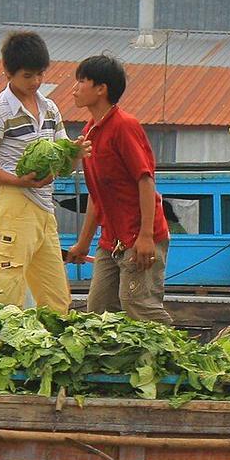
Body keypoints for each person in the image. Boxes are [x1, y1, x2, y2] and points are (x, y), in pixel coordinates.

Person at [0, 31, 73, 312]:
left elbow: (64, 158)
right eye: (28, 75)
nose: (35, 81)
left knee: (57, 298)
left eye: (40, 74)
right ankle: (5, 336)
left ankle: (53, 338)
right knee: (9, 285)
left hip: (45, 208)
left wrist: (77, 153)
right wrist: (18, 180)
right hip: (14, 203)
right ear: (8, 72)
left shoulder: (50, 108)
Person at [64, 55, 175, 325]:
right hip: (110, 241)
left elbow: (145, 180)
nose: (74, 89)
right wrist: (83, 243)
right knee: (99, 311)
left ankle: (173, 349)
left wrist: (146, 237)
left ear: (101, 89)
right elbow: (97, 196)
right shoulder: (89, 132)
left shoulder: (124, 126)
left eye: (81, 81)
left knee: (138, 306)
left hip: (139, 237)